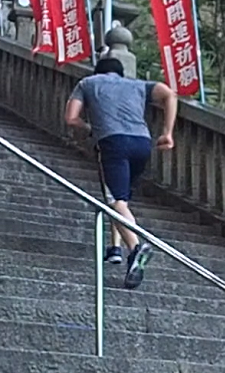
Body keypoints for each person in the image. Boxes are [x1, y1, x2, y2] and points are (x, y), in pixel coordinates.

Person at [64, 57, 178, 290]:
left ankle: (135, 248)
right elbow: (169, 94)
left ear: (99, 71)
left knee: (114, 199)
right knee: (122, 200)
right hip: (142, 143)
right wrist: (167, 133)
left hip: (112, 142)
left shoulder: (87, 83)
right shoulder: (137, 85)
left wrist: (89, 130)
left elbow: (71, 118)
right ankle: (115, 249)